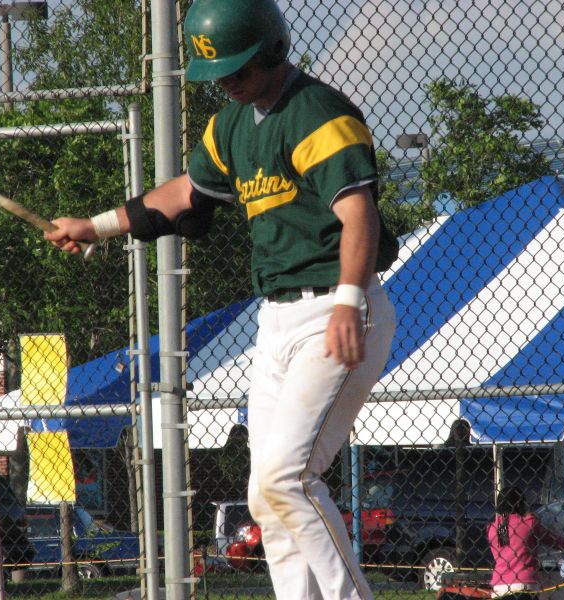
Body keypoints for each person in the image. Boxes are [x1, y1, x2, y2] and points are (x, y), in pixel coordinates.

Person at [44, 0, 398, 598]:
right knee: (266, 492)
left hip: (334, 311)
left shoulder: (317, 112)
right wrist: (96, 225)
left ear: (270, 52)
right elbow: (185, 194)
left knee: (288, 478)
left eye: (237, 71)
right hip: (278, 319)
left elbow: (358, 215)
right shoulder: (231, 126)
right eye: (218, 76)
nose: (228, 85)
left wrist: (345, 301)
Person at [488, 487, 564, 599]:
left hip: (499, 586)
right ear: (521, 504)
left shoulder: (492, 528)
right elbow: (553, 540)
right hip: (524, 585)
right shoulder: (529, 523)